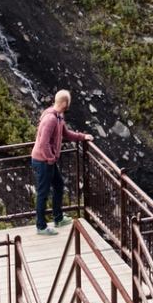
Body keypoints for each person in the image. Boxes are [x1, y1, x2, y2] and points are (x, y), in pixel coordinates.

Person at [30, 90, 92, 235]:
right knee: (43, 193)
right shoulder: (51, 119)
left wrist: (83, 137)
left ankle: (58, 218)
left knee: (58, 185)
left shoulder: (58, 117)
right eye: (68, 102)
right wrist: (51, 158)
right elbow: (43, 142)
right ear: (64, 103)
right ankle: (41, 226)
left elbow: (67, 134)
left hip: (47, 160)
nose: (69, 105)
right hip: (43, 161)